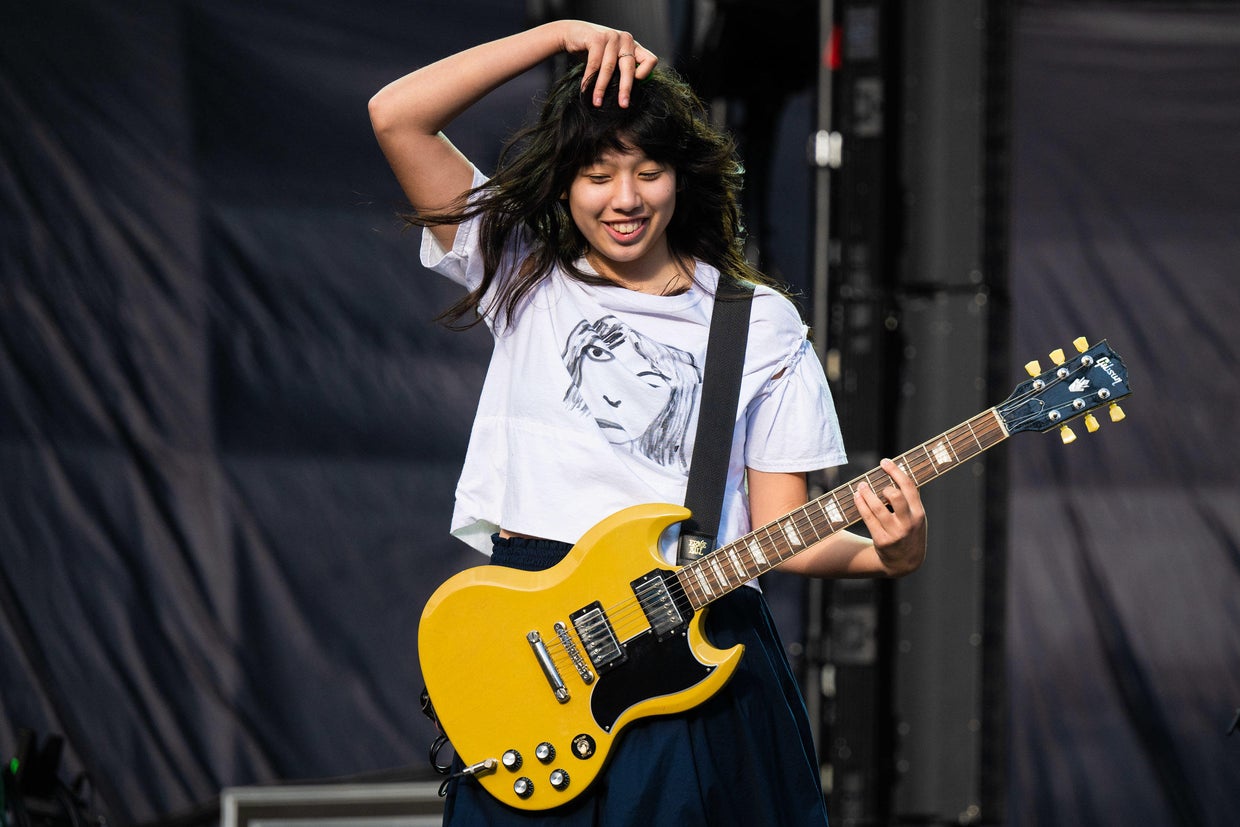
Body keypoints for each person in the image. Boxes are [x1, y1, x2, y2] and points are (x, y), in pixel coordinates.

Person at [369, 19, 927, 826]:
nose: (624, 199)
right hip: (540, 647)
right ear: (565, 182)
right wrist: (557, 37)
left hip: (696, 647)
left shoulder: (757, 321)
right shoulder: (522, 269)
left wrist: (889, 553)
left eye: (649, 171)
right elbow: (397, 116)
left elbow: (785, 530)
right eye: (597, 174)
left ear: (681, 178)